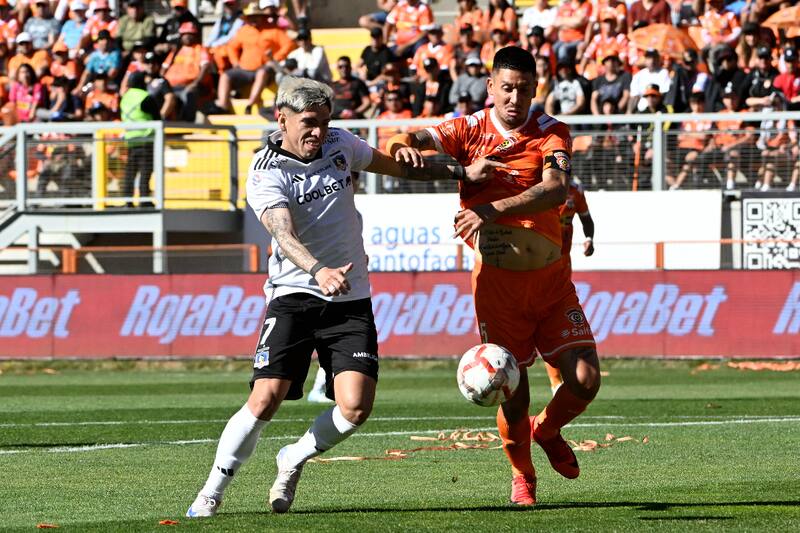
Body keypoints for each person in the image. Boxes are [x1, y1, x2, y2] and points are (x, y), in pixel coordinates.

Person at [185, 76, 483, 517]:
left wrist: (459, 172)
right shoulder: (266, 172)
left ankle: (293, 457)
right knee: (265, 398)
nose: (318, 132)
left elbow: (397, 168)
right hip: (294, 294)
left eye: (324, 122)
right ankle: (212, 490)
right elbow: (283, 233)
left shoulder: (340, 144)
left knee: (356, 407)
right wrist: (318, 270)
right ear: (282, 119)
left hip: (350, 297)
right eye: (309, 122)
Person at [384, 46, 601, 505]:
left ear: (535, 89)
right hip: (498, 290)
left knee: (585, 379)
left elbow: (555, 189)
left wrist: (491, 208)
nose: (514, 98)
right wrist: (403, 146)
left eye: (523, 89)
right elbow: (407, 140)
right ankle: (523, 475)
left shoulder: (552, 132)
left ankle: (547, 431)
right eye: (506, 88)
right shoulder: (467, 129)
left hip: (552, 283)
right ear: (490, 87)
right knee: (513, 395)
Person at [546, 180, 595, 394]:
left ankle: (562, 377)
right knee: (547, 316)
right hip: (543, 260)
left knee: (557, 315)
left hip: (564, 261)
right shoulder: (542, 186)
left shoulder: (575, 191)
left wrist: (589, 238)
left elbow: (586, 219)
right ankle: (555, 381)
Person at [120, 71, 160, 207]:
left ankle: (127, 201)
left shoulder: (124, 98)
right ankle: (144, 200)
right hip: (145, 139)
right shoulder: (144, 96)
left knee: (130, 172)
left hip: (130, 140)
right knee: (145, 171)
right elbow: (157, 117)